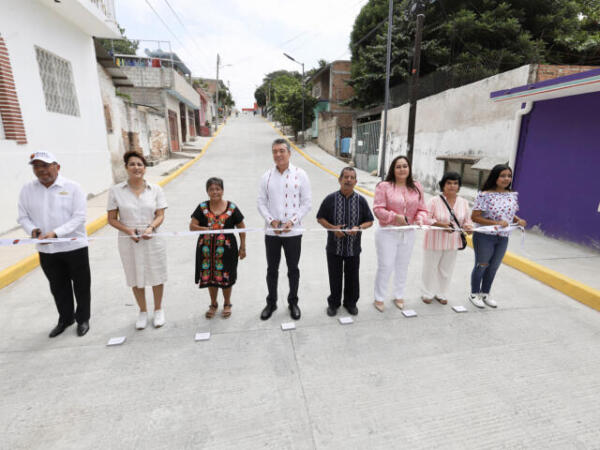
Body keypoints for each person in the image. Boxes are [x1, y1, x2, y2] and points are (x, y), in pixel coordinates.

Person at [17, 151, 91, 337]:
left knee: (81, 285)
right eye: (36, 166)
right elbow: (23, 217)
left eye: (45, 165)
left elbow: (79, 217)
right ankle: (66, 319)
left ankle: (83, 319)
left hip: (74, 247)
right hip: (46, 249)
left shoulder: (73, 187)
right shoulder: (27, 190)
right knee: (58, 286)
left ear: (57, 167)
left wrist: (57, 233)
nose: (41, 170)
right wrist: (32, 230)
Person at [107, 151, 168, 330]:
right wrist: (128, 230)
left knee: (156, 274)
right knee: (134, 275)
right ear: (126, 167)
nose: (136, 168)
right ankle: (142, 311)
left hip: (153, 238)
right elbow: (111, 219)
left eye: (140, 164)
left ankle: (158, 309)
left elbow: (160, 214)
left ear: (145, 168)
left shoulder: (156, 189)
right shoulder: (116, 191)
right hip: (129, 240)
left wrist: (151, 228)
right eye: (132, 164)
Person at [257, 138, 311, 320]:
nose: (278, 154)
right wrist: (272, 222)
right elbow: (261, 203)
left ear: (289, 153)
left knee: (293, 269)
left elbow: (306, 203)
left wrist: (292, 222)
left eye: (281, 150)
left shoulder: (300, 174)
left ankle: (293, 302)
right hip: (272, 232)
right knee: (272, 269)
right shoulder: (266, 176)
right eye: (274, 151)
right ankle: (271, 303)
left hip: (293, 232)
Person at [373, 155, 429, 312]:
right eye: (398, 166)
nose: (402, 169)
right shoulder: (384, 186)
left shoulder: (416, 186)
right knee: (386, 265)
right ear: (393, 169)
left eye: (405, 166)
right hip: (387, 232)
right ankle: (379, 297)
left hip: (408, 232)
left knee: (402, 266)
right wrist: (394, 217)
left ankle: (399, 295)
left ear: (409, 168)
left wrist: (419, 219)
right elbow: (378, 209)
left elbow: (422, 209)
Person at [317, 167, 374, 316]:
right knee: (334, 277)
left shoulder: (361, 200)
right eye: (346, 177)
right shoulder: (330, 199)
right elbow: (320, 218)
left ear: (356, 181)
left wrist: (359, 227)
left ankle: (350, 303)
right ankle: (334, 304)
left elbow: (370, 221)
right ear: (340, 179)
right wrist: (332, 228)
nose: (348, 180)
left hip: (353, 248)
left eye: (351, 177)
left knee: (352, 277)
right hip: (334, 248)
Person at [469, 164, 526, 308]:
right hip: (485, 236)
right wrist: (496, 223)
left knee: (493, 267)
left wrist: (518, 220)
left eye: (508, 176)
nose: (506, 179)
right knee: (482, 265)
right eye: (502, 176)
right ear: (495, 177)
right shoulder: (485, 195)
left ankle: (485, 293)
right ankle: (474, 294)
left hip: (503, 237)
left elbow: (509, 215)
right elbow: (475, 217)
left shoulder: (511, 195)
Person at [190, 177, 246, 319]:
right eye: (211, 189)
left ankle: (227, 303)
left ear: (222, 190)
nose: (215, 192)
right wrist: (205, 228)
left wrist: (243, 247)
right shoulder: (202, 207)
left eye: (218, 189)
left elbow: (241, 227)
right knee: (210, 278)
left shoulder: (231, 208)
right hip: (206, 251)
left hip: (227, 251)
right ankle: (213, 304)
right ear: (207, 191)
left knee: (226, 276)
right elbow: (192, 226)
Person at [421, 172, 473, 305]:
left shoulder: (464, 203)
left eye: (455, 183)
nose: (452, 186)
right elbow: (425, 218)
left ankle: (441, 293)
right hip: (434, 240)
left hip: (452, 242)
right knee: (430, 268)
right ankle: (427, 293)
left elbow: (466, 221)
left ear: (459, 186)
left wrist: (468, 227)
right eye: (449, 183)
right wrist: (441, 224)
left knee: (446, 270)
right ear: (443, 185)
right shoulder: (434, 201)